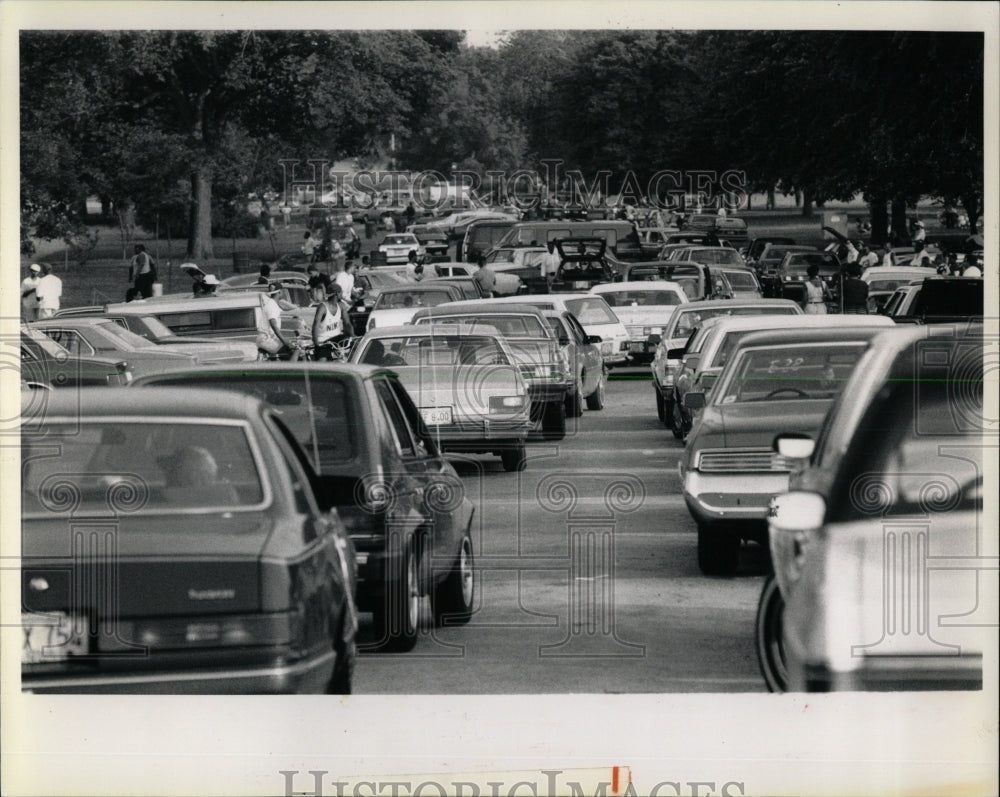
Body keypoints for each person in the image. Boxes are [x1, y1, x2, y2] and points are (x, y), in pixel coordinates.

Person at [311, 282, 348, 360]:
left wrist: (352, 335)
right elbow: (315, 325)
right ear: (337, 294)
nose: (342, 294)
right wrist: (316, 343)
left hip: (336, 341)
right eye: (341, 292)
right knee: (322, 366)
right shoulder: (322, 307)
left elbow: (347, 323)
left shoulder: (341, 306)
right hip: (324, 342)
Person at [256, 282, 292, 357]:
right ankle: (291, 368)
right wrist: (284, 341)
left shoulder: (273, 304)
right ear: (279, 292)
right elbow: (274, 326)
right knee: (295, 350)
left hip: (267, 338)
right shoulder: (272, 306)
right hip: (266, 339)